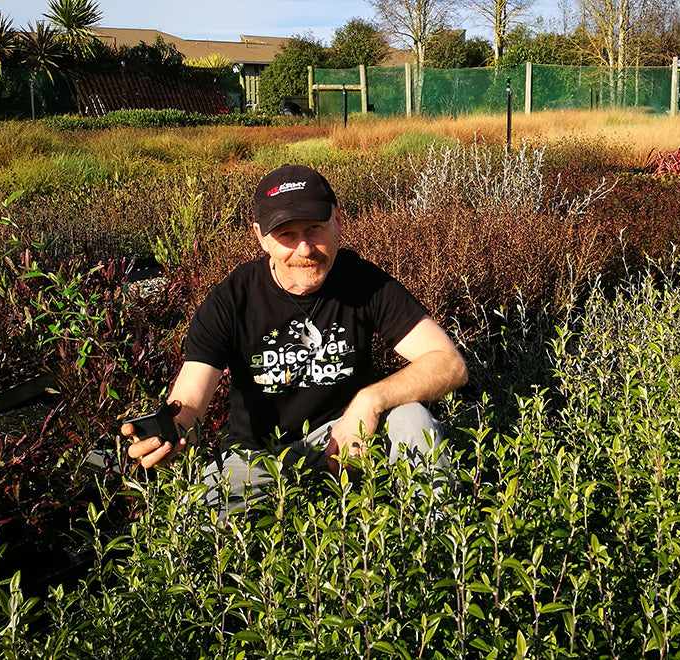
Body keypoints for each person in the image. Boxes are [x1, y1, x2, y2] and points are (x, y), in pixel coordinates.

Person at [123, 164, 468, 511]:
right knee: (197, 518)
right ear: (260, 236)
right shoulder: (230, 301)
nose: (304, 249)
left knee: (412, 418)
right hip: (261, 454)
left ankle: (433, 536)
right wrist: (169, 435)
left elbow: (448, 363)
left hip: (350, 436)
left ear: (337, 221)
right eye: (286, 235)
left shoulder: (364, 282)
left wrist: (369, 401)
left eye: (315, 228)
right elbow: (191, 402)